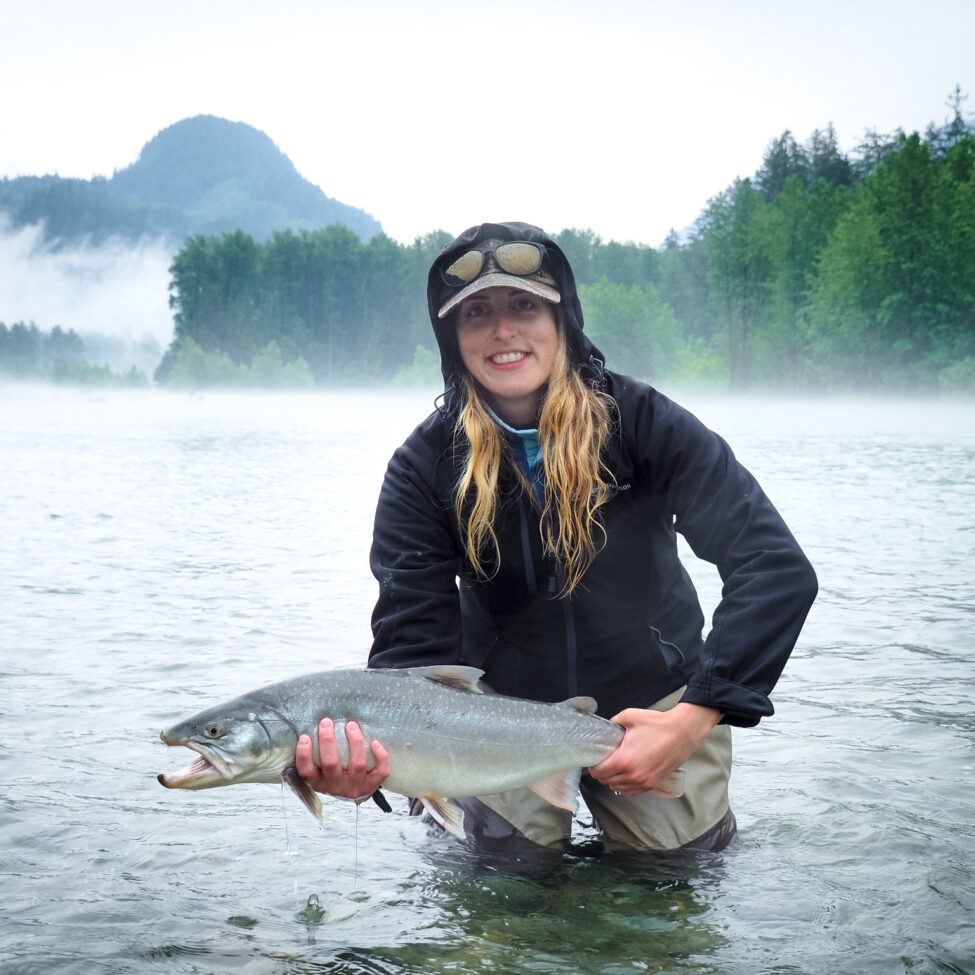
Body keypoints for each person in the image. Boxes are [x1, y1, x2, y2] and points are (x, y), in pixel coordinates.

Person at [295, 221, 818, 854]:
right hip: (490, 714)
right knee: (498, 877)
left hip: (658, 700)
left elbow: (774, 567)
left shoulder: (644, 424)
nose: (503, 330)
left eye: (524, 305)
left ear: (562, 319)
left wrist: (693, 719)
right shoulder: (424, 465)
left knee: (677, 874)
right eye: (476, 314)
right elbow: (412, 652)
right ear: (451, 339)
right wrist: (376, 762)